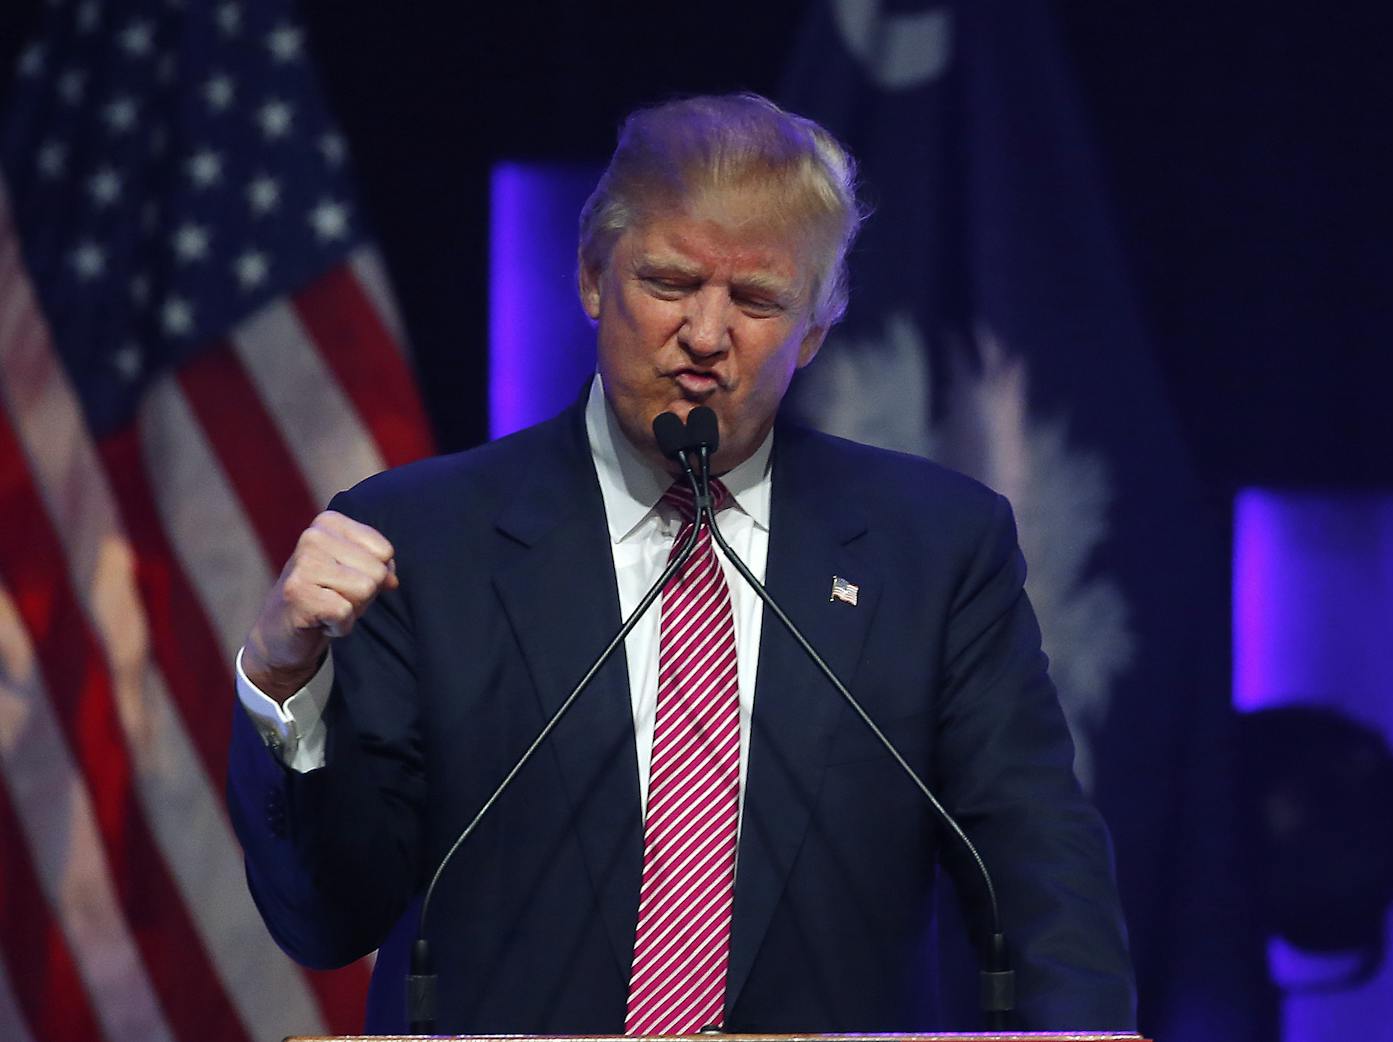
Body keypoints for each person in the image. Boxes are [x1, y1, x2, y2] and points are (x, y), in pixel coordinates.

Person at [227, 93, 1136, 1034]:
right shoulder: (419, 539)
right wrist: (283, 680)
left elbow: (1034, 858)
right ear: (591, 278)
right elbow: (328, 917)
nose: (706, 336)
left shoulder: (937, 550)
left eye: (756, 301)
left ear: (815, 331)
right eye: (670, 283)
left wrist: (1086, 1028)